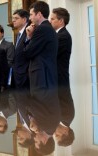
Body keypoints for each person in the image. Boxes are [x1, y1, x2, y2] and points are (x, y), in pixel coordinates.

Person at [23, 1, 61, 131]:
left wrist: (28, 37)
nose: (30, 18)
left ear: (39, 14)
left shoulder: (42, 29)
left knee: (41, 109)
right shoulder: (47, 28)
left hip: (41, 79)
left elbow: (28, 53)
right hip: (45, 77)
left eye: (31, 14)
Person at [50, 7, 75, 146]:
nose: (55, 133)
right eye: (58, 135)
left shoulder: (63, 36)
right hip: (59, 80)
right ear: (66, 133)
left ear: (61, 21)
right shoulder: (67, 117)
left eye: (52, 18)